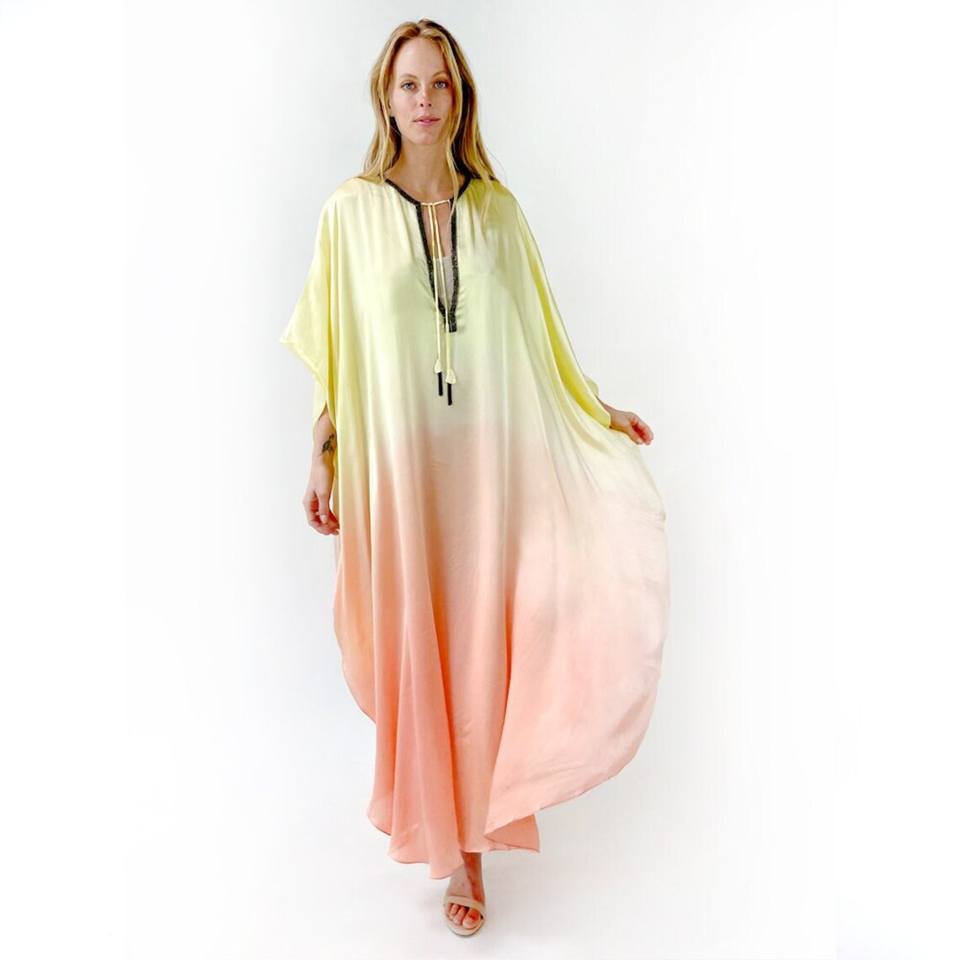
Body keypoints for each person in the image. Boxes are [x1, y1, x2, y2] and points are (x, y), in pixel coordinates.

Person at [280, 18, 670, 937]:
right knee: (420, 645)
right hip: (399, 475)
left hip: (487, 475)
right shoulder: (349, 214)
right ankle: (447, 836)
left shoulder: (497, 212)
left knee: (485, 645)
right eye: (409, 85)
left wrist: (595, 411)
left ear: (461, 100)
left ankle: (474, 846)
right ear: (386, 99)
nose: (425, 101)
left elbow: (540, 337)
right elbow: (336, 355)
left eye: (440, 84)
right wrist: (322, 454)